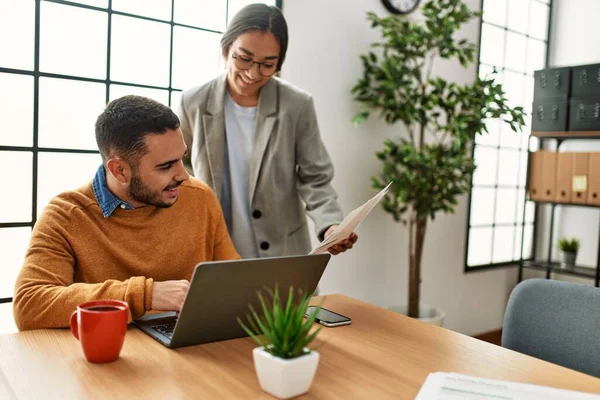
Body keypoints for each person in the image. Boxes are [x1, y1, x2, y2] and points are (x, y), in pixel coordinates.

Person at [13, 95, 239, 331]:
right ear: (119, 170)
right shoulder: (66, 215)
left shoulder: (199, 197)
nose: (182, 175)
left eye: (181, 158)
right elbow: (30, 305)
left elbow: (235, 278)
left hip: (187, 352)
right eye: (165, 166)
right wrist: (145, 295)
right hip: (109, 358)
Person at [177, 3, 358, 259]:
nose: (253, 73)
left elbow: (315, 178)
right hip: (214, 250)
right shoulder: (193, 102)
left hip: (282, 252)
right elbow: (181, 171)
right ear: (226, 49)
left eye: (267, 64)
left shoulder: (296, 105)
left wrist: (331, 225)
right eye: (244, 58)